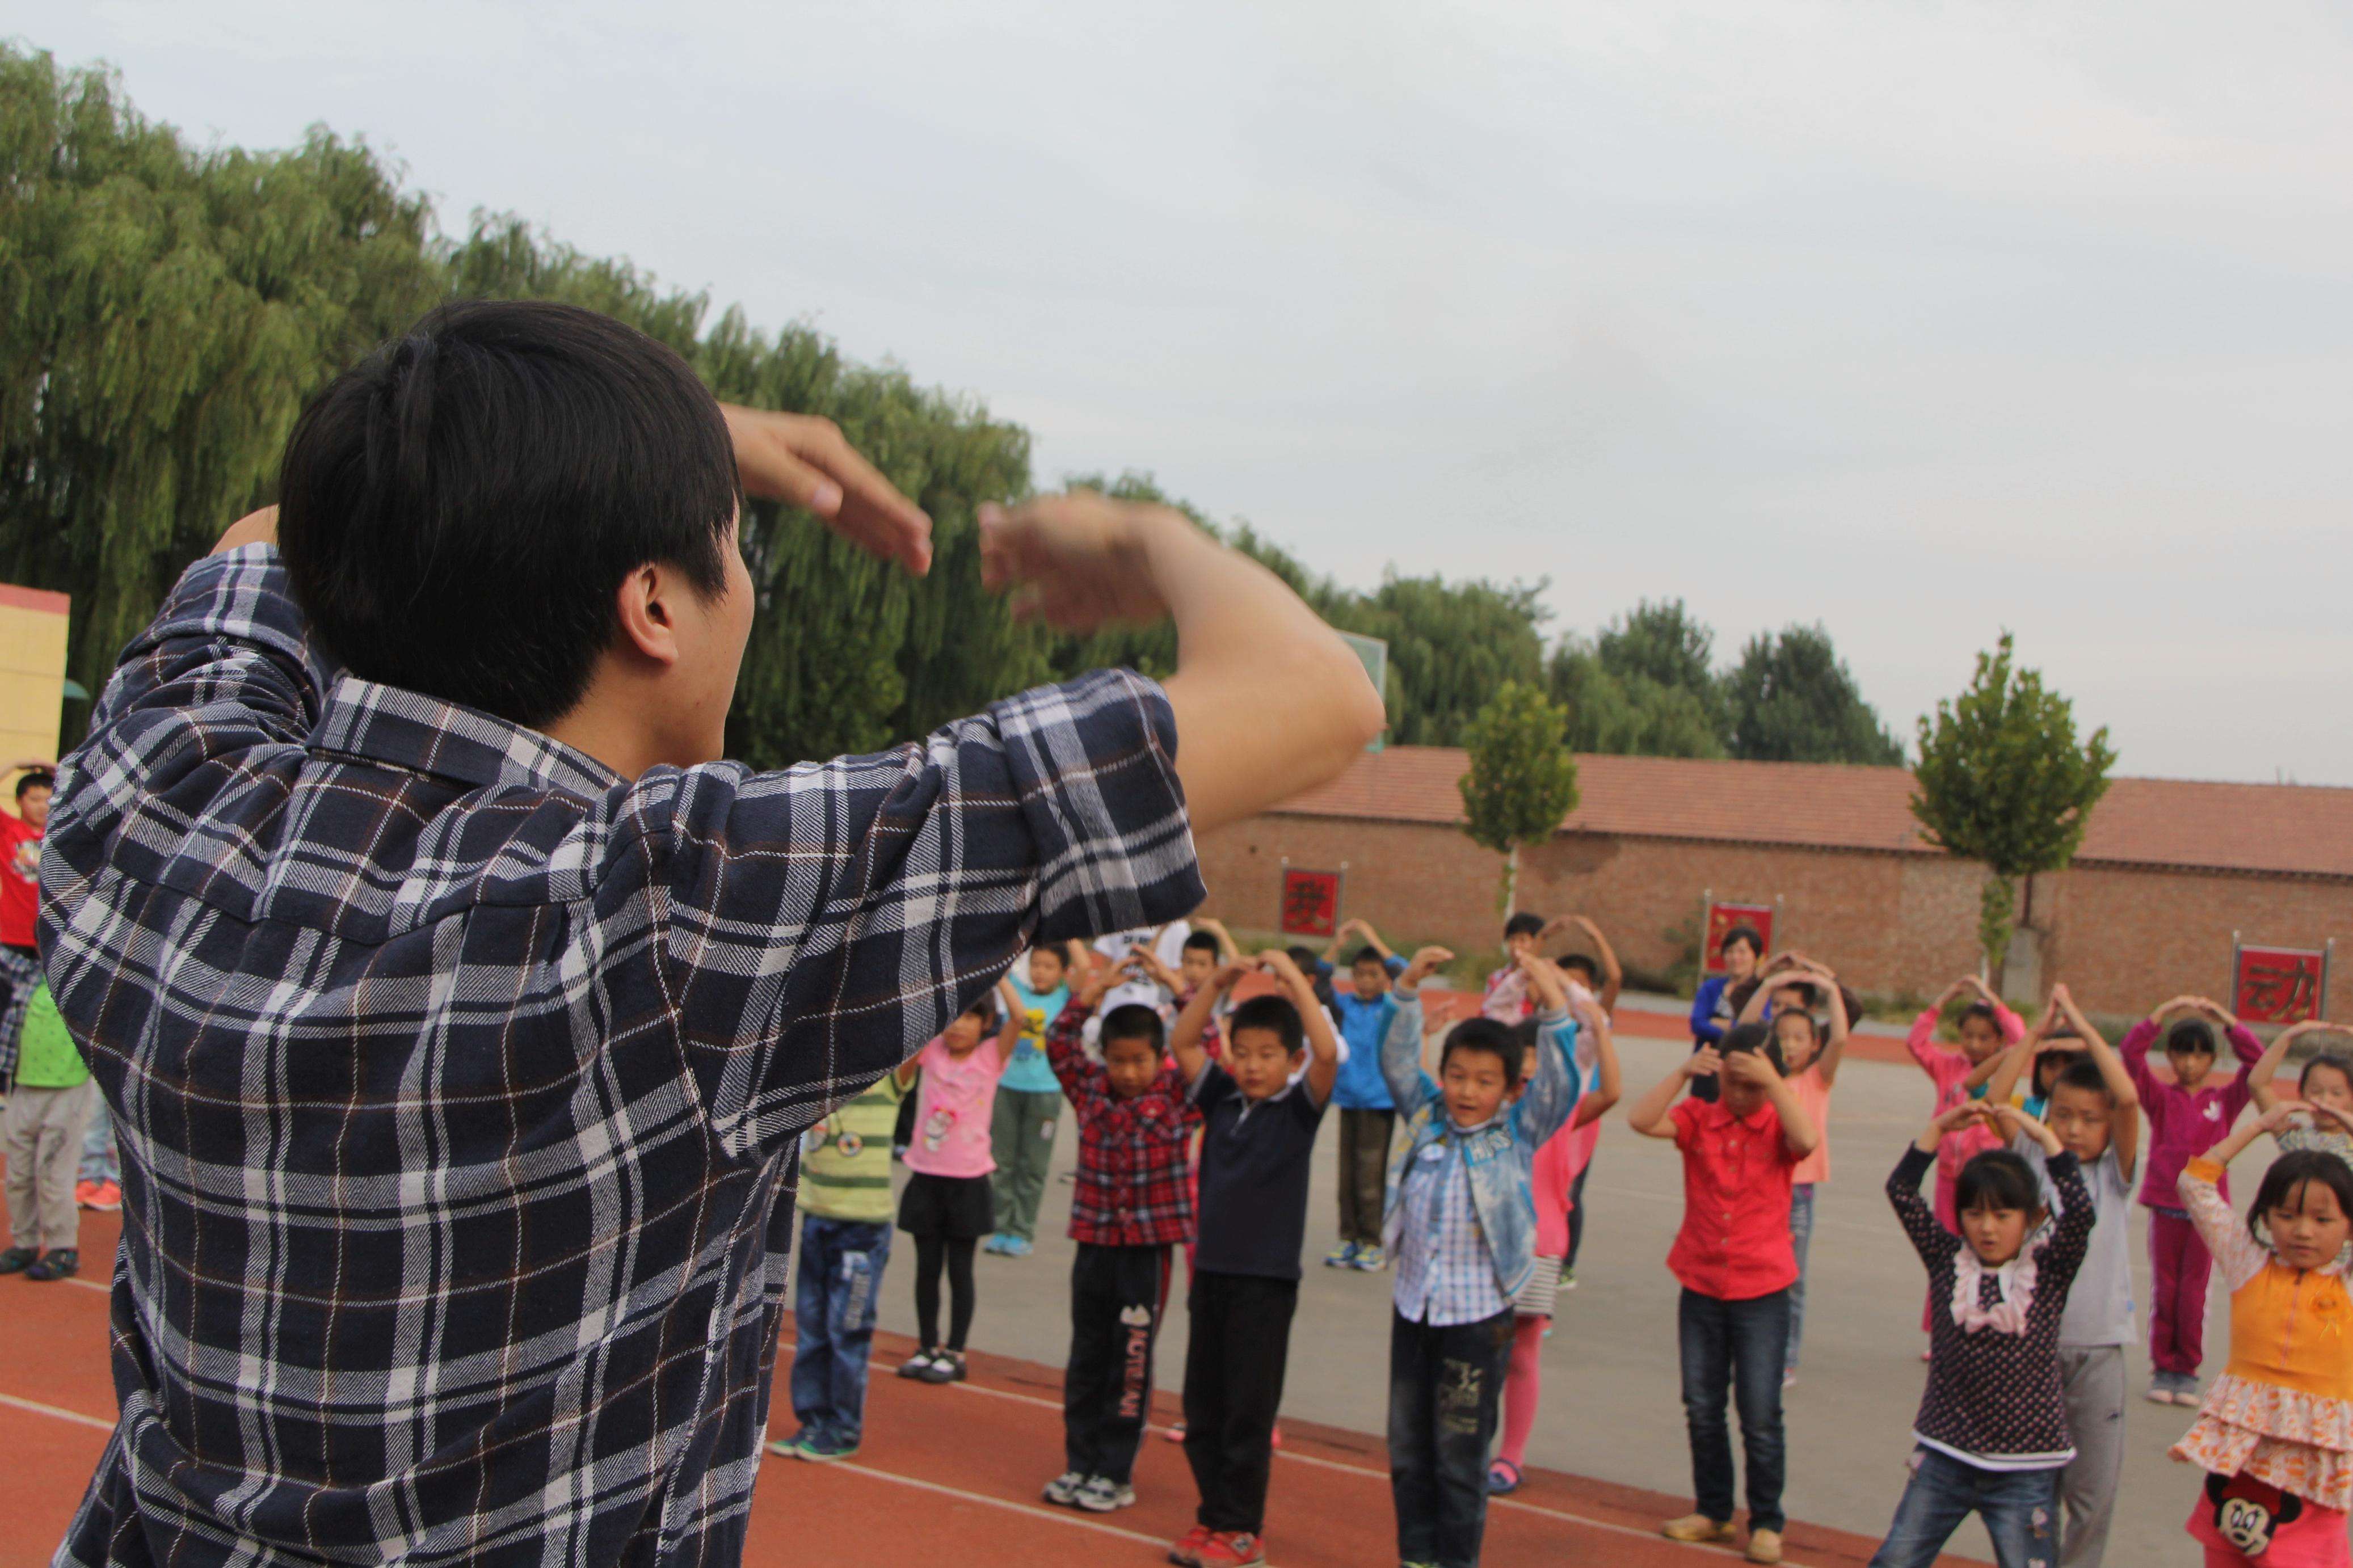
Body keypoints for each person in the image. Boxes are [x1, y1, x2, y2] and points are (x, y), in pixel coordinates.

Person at [39, 298, 1383, 1568]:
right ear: (654, 606)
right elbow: (1314, 691)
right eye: (731, 546)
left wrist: (625, 452)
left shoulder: (165, 808)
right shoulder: (678, 912)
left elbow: (271, 536)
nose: (744, 579)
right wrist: (1149, 536)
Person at [1377, 945, 1582, 1566]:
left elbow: (1564, 1083)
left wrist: (1550, 998)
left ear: (1509, 1087)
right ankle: (1416, 1557)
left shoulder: (1516, 1132)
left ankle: (1456, 1560)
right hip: (1414, 1313)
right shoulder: (1426, 1118)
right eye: (1458, 1075)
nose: (1468, 1090)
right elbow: (1393, 1063)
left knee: (1459, 1454)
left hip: (1475, 1322)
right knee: (1409, 1449)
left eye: (1484, 1080)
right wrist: (1407, 989)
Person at [1166, 950, 1338, 1568]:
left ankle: (1242, 1530)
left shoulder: (1297, 1111)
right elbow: (1184, 1040)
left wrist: (1293, 983)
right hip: (1211, 1272)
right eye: (1243, 1053)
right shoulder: (1218, 1099)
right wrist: (1216, 982)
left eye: (1268, 1055)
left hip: (1264, 1285)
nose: (1253, 1066)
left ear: (1289, 1062)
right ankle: (1212, 1517)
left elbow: (1327, 1055)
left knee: (1247, 1409)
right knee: (1202, 1409)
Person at [1628, 1021, 1820, 1566]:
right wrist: (1684, 1072)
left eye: (1753, 1085)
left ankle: (1765, 1521)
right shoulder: (1698, 1118)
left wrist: (1773, 1081)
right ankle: (1713, 1511)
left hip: (1762, 1289)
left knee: (1759, 1411)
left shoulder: (1778, 1125)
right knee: (1702, 1404)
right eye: (1733, 1082)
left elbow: (1807, 1140)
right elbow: (1641, 1120)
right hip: (1702, 1283)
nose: (1741, 1095)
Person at [1871, 1101, 2095, 1568]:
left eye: (2003, 1214)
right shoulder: (1945, 1259)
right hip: (1944, 1457)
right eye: (1974, 1213)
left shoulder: (2048, 1271)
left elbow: (2079, 1213)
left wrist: (2046, 1140)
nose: (1987, 1227)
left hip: (2025, 1470)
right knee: (1895, 1561)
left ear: (2032, 1217)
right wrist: (1937, 1128)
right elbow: (1901, 1190)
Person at [1982, 985, 2142, 1568]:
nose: (2073, 1129)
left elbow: (2126, 1097)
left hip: (2098, 1348)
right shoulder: (2030, 1153)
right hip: (2034, 1347)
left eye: (2088, 1119)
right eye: (2063, 1115)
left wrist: (2079, 1019)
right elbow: (1993, 1097)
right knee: (2033, 1488)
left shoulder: (2114, 1174)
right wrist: (2036, 1034)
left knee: (2092, 1493)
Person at [1040, 972, 1202, 1516]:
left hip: (1147, 1248)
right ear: (1104, 1057)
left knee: (1130, 1359)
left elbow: (1208, 1046)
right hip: (1095, 1242)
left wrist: (1178, 989)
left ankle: (1114, 1471)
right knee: (1087, 1354)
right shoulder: (1089, 1091)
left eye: (1141, 1060)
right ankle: (1079, 1462)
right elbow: (1059, 1043)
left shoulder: (1180, 1096)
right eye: (1118, 1060)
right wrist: (1089, 993)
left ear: (1161, 1057)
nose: (1129, 1072)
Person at [2169, 1104, 2353, 1567]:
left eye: (2323, 1220)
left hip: (2312, 1470)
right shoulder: (2249, 1265)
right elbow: (2194, 1185)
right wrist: (2255, 1127)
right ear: (2266, 1217)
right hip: (2239, 1461)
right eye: (2287, 1215)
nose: (2303, 1231)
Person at [1492, 960, 1620, 1498]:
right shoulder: (1492, 1106)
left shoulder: (1563, 1105)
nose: (1526, 1082)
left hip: (1541, 1243)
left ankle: (1511, 1455)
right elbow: (1495, 1016)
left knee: (1522, 1352)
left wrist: (1570, 997)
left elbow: (1606, 1083)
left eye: (1534, 1072)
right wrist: (1518, 979)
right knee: (1474, 1349)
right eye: (1517, 1073)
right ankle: (1467, 1442)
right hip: (1487, 1242)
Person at [2121, 995, 2266, 1406]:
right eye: (2182, 1054)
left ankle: (2186, 1371)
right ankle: (2162, 1368)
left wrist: (2227, 1022)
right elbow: (2130, 1058)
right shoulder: (2159, 1097)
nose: (2189, 1064)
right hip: (2166, 1205)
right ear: (2169, 1055)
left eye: (2200, 1056)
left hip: (2206, 1211)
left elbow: (2258, 1065)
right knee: (2165, 1289)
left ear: (2211, 1060)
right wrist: (2160, 1014)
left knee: (2192, 1293)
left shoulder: (2225, 1100)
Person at [894, 981, 1024, 1383]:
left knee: (960, 1271)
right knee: (926, 1270)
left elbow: (1019, 1018)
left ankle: (955, 1351)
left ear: (986, 1023)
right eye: (953, 1016)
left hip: (968, 1182)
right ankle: (925, 1346)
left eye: (970, 1016)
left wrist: (998, 977)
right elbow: (907, 1043)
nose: (959, 1026)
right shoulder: (930, 1052)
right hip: (926, 1178)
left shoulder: (990, 1057)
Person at [778, 1068, 908, 1462]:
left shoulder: (890, 1079)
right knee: (812, 1326)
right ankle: (814, 1420)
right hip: (817, 1219)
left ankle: (844, 1427)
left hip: (862, 1230)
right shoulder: (821, 1079)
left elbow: (922, 1027)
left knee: (847, 1329)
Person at [1737, 966, 1853, 1385]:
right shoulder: (1764, 1079)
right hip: (1762, 1186)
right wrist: (1767, 986)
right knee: (1752, 1270)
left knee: (1793, 1278)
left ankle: (1785, 1357)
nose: (1788, 1045)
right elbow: (1744, 1026)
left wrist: (1829, 987)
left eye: (1799, 1038)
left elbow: (1839, 1037)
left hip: (1798, 1190)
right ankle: (1751, 1349)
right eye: (1782, 1036)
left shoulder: (1815, 1080)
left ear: (1812, 1044)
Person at [1906, 975, 2028, 1344]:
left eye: (1983, 1037)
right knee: (1946, 1258)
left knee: (1983, 1253)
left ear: (1997, 1040)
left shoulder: (2003, 1069)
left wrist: (1992, 999)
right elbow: (1915, 1043)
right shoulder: (1946, 1068)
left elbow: (2022, 1038)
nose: (1974, 1044)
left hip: (1985, 1180)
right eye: (1968, 1036)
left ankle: (1984, 1322)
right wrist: (1943, 998)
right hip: (1948, 1179)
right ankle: (1941, 1331)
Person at [988, 939, 1085, 1257]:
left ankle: (1022, 1231)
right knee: (1002, 1162)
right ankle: (1000, 1227)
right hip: (1008, 1088)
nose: (1040, 972)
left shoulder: (1063, 998)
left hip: (1045, 1093)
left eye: (1049, 967)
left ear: (1062, 972)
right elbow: (998, 964)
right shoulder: (1016, 991)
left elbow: (1085, 968)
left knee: (1033, 1166)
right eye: (1036, 965)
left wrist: (1065, 928)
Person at [1324, 917, 1407, 1270]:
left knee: (1371, 1175)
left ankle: (1373, 1241)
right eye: (1360, 974)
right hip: (1349, 1098)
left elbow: (1405, 973)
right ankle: (1349, 1238)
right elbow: (1318, 981)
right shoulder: (1346, 1006)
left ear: (1384, 978)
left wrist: (1373, 935)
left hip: (1379, 1101)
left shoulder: (1392, 1006)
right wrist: (1338, 945)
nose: (1366, 981)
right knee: (1348, 1176)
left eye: (1374, 974)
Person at [0, 982, 94, 1280]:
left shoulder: (80, 987)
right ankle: (25, 1243)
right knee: (18, 1174)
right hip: (25, 1086)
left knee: (53, 1174)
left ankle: (62, 1247)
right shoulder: (25, 982)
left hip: (68, 1088)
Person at [1552, 939, 1623, 1289]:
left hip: (1578, 1120)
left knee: (1570, 1192)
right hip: (1544, 1121)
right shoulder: (1543, 1027)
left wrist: (1592, 935)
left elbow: (1614, 978)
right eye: (1564, 983)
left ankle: (1565, 1262)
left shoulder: (1588, 1034)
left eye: (1576, 984)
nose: (1569, 991)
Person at [0, 765, 52, 1085]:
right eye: (35, 798)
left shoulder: (62, 834)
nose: (42, 805)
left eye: (49, 798)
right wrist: (15, 768)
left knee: (32, 1016)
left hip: (45, 942)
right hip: (10, 939)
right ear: (20, 800)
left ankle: (20, 1078)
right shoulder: (10, 832)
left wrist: (57, 771)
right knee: (5, 1010)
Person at [2248, 1021, 2353, 1171]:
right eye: (2316, 1091)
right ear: (2302, 1095)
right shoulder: (2294, 1136)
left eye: (2336, 1093)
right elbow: (2258, 1085)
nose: (2325, 1101)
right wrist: (2287, 1037)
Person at [1686, 925, 1765, 1105]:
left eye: (1742, 952)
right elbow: (1697, 1024)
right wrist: (1736, 1028)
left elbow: (1759, 1030)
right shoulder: (1711, 988)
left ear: (1756, 956)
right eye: (1730, 951)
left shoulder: (1762, 994)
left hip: (1743, 1072)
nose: (1735, 958)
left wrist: (1722, 1024)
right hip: (1707, 1068)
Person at [1481, 911, 1550, 1022]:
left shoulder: (1544, 978)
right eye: (1512, 939)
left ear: (1537, 943)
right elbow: (1486, 1010)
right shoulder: (1497, 978)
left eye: (1522, 940)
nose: (1516, 945)